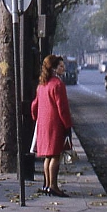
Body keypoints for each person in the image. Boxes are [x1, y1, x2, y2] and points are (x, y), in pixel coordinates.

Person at [30, 55, 73, 197]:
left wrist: (36, 118)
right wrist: (67, 125)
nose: (63, 68)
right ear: (54, 68)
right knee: (55, 155)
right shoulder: (58, 85)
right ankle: (53, 186)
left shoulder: (42, 85)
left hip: (43, 124)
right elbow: (63, 108)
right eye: (61, 66)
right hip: (55, 124)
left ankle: (47, 185)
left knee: (47, 156)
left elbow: (34, 105)